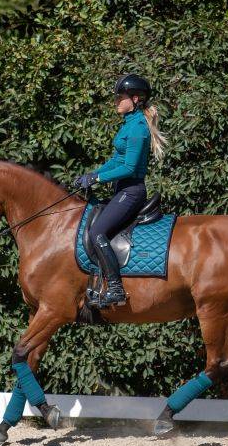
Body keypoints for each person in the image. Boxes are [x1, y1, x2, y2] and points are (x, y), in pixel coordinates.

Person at [71, 73, 166, 308]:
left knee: (97, 233)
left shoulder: (138, 129)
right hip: (121, 190)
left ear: (135, 99)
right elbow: (116, 160)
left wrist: (98, 177)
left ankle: (115, 289)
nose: (116, 101)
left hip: (131, 191)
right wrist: (91, 175)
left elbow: (129, 167)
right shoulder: (129, 125)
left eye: (120, 97)